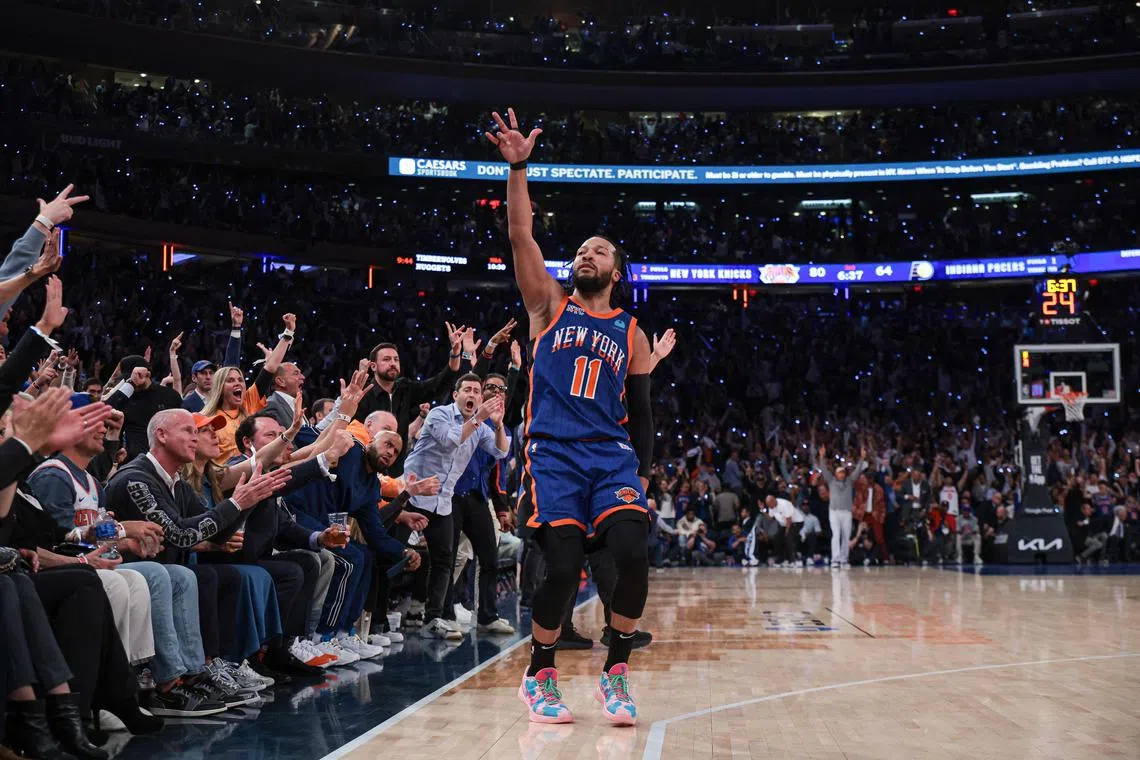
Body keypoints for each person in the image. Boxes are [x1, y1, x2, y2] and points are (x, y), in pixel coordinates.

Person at [488, 108, 654, 726]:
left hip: (611, 458)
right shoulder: (547, 306)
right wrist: (518, 168)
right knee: (561, 568)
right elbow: (520, 235)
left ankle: (616, 671)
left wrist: (643, 475)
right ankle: (540, 673)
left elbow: (643, 415)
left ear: (617, 271)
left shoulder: (631, 331)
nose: (587, 254)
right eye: (582, 250)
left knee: (632, 552)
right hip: (554, 454)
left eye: (599, 251)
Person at [402, 373, 510, 639]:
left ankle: (434, 619)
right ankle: (383, 619)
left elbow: (501, 452)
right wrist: (479, 418)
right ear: (456, 395)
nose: (473, 394)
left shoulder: (480, 426)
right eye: (468, 390)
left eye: (476, 391)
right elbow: (451, 440)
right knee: (395, 556)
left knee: (444, 560)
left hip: (443, 499)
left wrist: (498, 426)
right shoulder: (439, 414)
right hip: (413, 494)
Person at [352, 326, 465, 475]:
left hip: (396, 473)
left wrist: (455, 354)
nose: (393, 363)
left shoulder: (405, 388)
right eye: (386, 359)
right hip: (365, 470)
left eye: (396, 359)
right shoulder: (364, 393)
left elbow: (438, 385)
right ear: (373, 366)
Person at [182, 301, 244, 413]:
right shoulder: (186, 404)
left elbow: (232, 364)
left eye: (211, 373)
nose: (208, 377)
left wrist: (236, 327)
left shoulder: (221, 397)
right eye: (203, 373)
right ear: (194, 378)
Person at [815, 445, 868, 568]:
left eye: (843, 472)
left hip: (846, 512)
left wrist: (862, 458)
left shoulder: (849, 481)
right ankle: (835, 559)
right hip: (834, 512)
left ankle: (844, 559)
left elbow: (857, 471)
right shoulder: (831, 481)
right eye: (839, 472)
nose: (842, 474)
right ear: (836, 474)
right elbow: (824, 470)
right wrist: (821, 457)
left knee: (846, 535)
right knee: (836, 534)